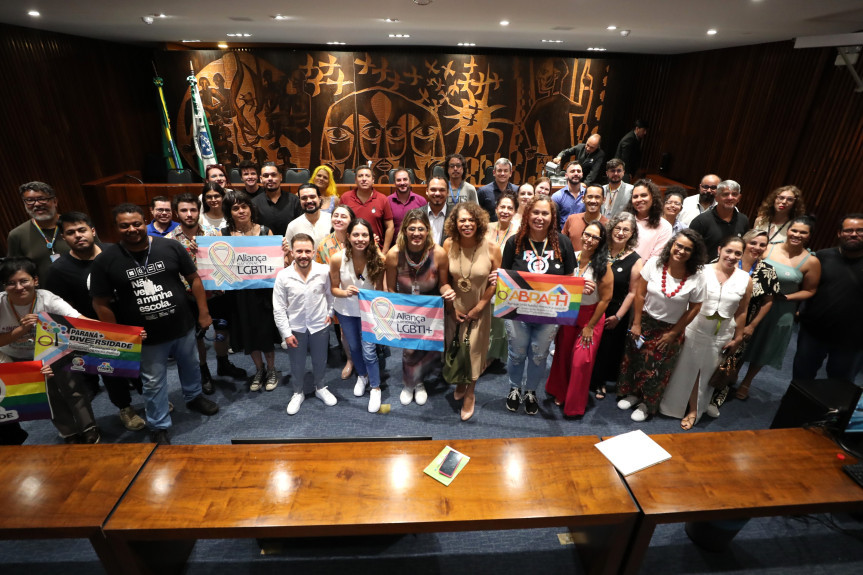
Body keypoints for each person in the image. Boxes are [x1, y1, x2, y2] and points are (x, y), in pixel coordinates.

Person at [90, 203, 219, 445]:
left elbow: (194, 279)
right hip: (145, 336)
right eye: (124, 226)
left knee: (191, 365)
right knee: (152, 382)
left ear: (144, 222)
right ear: (115, 228)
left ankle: (194, 397)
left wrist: (203, 313)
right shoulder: (105, 260)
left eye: (136, 223)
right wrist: (121, 334)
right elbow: (101, 303)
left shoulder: (170, 246)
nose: (132, 229)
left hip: (182, 325)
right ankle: (159, 424)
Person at [47, 212, 147, 432]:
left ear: (92, 231)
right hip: (94, 332)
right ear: (64, 238)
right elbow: (59, 308)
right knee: (112, 373)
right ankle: (125, 408)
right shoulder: (58, 270)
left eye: (82, 230)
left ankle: (150, 399)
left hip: (130, 321)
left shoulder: (116, 251)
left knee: (143, 365)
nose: (78, 236)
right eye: (71, 233)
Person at [0, 257, 99, 443]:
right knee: (46, 394)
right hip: (18, 357)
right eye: (11, 283)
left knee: (73, 388)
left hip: (54, 350)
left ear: (35, 280)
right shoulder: (0, 304)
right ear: (4, 286)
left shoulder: (47, 299)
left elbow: (80, 321)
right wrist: (21, 331)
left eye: (24, 281)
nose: (19, 287)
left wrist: (123, 333)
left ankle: (89, 427)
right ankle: (68, 432)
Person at [660, 236, 752, 429]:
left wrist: (738, 338)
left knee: (707, 374)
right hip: (695, 328)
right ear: (719, 250)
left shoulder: (745, 279)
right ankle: (675, 406)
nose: (732, 256)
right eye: (729, 251)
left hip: (722, 334)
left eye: (737, 253)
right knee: (686, 369)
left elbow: (742, 311)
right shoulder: (701, 271)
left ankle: (695, 409)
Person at [616, 229, 707, 422]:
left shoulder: (697, 277)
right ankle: (632, 394)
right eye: (679, 246)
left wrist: (673, 333)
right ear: (672, 245)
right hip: (645, 321)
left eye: (687, 249)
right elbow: (640, 294)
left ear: (694, 253)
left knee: (658, 368)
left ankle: (646, 405)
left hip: (671, 328)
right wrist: (637, 323)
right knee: (635, 359)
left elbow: (695, 308)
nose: (681, 251)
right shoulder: (655, 264)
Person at [500, 195, 576, 415]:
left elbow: (570, 277)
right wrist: (497, 279)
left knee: (539, 355)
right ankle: (515, 388)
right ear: (527, 215)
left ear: (553, 217)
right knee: (517, 353)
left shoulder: (563, 243)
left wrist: (582, 288)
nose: (540, 217)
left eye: (545, 213)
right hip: (518, 312)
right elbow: (505, 276)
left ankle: (531, 390)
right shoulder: (515, 242)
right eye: (535, 212)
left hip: (549, 314)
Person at [169, 193, 247, 393]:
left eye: (193, 209)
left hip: (216, 293)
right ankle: (204, 371)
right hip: (189, 298)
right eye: (184, 210)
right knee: (198, 337)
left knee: (222, 330)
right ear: (177, 213)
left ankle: (223, 363)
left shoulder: (215, 233)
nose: (189, 214)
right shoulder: (169, 241)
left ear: (199, 211)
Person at [737, 216, 821, 400]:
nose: (797, 235)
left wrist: (786, 297)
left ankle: (746, 382)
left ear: (809, 236)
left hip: (782, 309)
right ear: (788, 230)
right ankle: (731, 375)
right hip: (755, 303)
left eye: (803, 232)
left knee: (765, 346)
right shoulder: (768, 248)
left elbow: (810, 290)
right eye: (794, 230)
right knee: (742, 341)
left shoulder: (811, 261)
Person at [385, 209, 454, 407]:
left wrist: (448, 291)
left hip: (431, 308)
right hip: (406, 310)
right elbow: (390, 287)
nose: (416, 233)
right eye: (412, 229)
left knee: (427, 349)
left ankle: (420, 382)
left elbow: (443, 283)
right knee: (409, 350)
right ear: (405, 230)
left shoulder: (439, 253)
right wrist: (395, 311)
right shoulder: (394, 254)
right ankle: (409, 384)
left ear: (427, 231)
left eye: (421, 229)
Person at [706, 229, 779, 416]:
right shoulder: (724, 261)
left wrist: (751, 326)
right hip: (713, 320)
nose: (757, 248)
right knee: (707, 357)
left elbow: (768, 301)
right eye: (753, 243)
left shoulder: (767, 271)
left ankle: (715, 400)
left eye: (763, 244)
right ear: (744, 243)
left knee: (729, 361)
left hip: (743, 325)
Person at [546, 221, 612, 417]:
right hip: (569, 313)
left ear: (601, 242)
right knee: (563, 356)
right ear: (581, 235)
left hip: (591, 317)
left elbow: (606, 299)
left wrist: (590, 326)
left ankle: (574, 405)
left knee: (580, 362)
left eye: (594, 237)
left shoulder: (604, 266)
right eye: (587, 235)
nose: (589, 240)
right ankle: (560, 391)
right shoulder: (571, 257)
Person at [443, 202, 500, 420]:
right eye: (462, 220)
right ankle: (460, 379)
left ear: (479, 222)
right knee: (457, 347)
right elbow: (445, 280)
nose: (467, 224)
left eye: (471, 220)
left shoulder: (492, 247)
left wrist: (479, 307)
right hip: (454, 308)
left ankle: (470, 393)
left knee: (475, 352)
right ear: (455, 224)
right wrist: (451, 306)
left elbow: (495, 283)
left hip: (480, 308)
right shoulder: (448, 245)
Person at [221, 191, 282, 392]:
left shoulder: (265, 232)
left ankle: (271, 369)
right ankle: (259, 369)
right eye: (235, 208)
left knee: (264, 333)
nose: (241, 211)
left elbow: (277, 264)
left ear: (250, 208)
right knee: (247, 333)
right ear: (230, 212)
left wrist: (284, 251)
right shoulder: (223, 235)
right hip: (238, 295)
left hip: (263, 294)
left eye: (244, 206)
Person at [793, 213, 863, 382]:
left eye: (860, 231)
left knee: (840, 386)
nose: (854, 234)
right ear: (839, 233)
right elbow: (805, 287)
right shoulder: (821, 257)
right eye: (849, 230)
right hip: (813, 332)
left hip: (852, 340)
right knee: (801, 379)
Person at [273, 233, 337, 415]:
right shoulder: (283, 276)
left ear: (314, 252)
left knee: (320, 360)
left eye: (307, 251)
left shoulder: (324, 271)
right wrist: (286, 333)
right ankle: (297, 392)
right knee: (297, 363)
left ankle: (321, 387)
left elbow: (330, 295)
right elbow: (278, 308)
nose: (303, 255)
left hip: (319, 326)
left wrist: (330, 313)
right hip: (295, 328)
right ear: (292, 252)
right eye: (299, 251)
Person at [329, 218, 386, 413]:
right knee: (353, 347)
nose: (360, 239)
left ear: (370, 238)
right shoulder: (337, 258)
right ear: (348, 236)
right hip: (345, 310)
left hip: (368, 313)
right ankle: (362, 375)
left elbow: (381, 291)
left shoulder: (378, 258)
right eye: (356, 234)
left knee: (369, 350)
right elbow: (334, 288)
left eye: (364, 235)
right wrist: (345, 292)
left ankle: (376, 387)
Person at [590, 212, 643, 399]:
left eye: (626, 230)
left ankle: (599, 382)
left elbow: (632, 292)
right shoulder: (599, 249)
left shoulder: (636, 260)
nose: (620, 233)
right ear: (611, 228)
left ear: (632, 234)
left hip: (614, 310)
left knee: (606, 348)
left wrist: (618, 317)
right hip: (591, 304)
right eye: (618, 228)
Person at [316, 204, 356, 380]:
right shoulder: (324, 245)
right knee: (343, 332)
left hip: (360, 292)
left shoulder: (360, 237)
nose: (338, 219)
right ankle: (350, 360)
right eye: (336, 215)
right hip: (338, 294)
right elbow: (319, 271)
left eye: (344, 216)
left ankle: (368, 358)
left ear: (351, 220)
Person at [7, 181, 70, 284]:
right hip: (46, 296)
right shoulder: (17, 235)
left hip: (86, 290)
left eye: (42, 199)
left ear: (55, 201)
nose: (36, 204)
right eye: (30, 200)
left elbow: (98, 254)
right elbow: (14, 272)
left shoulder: (75, 225)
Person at [485, 193, 519, 373]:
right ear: (496, 208)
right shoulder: (485, 227)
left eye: (509, 208)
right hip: (483, 282)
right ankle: (482, 351)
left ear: (514, 211)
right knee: (484, 320)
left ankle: (491, 356)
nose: (505, 211)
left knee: (498, 322)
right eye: (502, 207)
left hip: (505, 285)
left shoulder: (519, 233)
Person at [339, 165, 395, 252]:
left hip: (375, 250)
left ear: (373, 180)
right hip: (350, 249)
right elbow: (340, 225)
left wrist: (384, 252)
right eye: (360, 176)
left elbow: (390, 227)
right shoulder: (345, 198)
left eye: (367, 176)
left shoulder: (382, 199)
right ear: (355, 180)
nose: (364, 179)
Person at [689, 180, 749, 255]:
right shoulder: (701, 221)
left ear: (739, 198)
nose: (730, 198)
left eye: (734, 194)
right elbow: (690, 249)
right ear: (716, 197)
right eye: (725, 194)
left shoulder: (743, 220)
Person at [251, 162, 302, 236]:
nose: (270, 179)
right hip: (264, 246)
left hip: (290, 245)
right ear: (261, 179)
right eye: (266, 176)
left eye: (273, 175)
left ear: (280, 177)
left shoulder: (295, 201)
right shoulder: (254, 203)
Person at [626, 179, 672, 260]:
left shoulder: (665, 227)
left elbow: (654, 260)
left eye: (644, 195)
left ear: (653, 197)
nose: (639, 199)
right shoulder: (625, 219)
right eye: (635, 197)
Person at [284, 183, 332, 249]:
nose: (309, 201)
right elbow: (289, 254)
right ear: (300, 201)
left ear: (319, 199)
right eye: (304, 198)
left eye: (312, 197)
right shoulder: (293, 226)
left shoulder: (332, 220)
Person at [562, 185, 608, 251]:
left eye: (597, 197)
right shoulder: (572, 219)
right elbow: (562, 245)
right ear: (583, 198)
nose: (593, 201)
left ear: (603, 200)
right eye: (590, 197)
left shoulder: (608, 225)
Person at [388, 168, 428, 236]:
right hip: (394, 245)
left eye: (405, 179)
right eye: (398, 180)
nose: (402, 183)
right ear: (394, 183)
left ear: (410, 181)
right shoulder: (387, 201)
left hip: (416, 243)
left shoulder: (421, 201)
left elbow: (426, 225)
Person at [551, 161, 586, 229]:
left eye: (578, 171)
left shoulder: (588, 195)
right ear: (566, 175)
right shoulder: (557, 196)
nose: (576, 173)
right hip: (563, 235)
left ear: (582, 174)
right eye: (572, 171)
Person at [424, 176, 450, 245]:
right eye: (433, 189)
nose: (437, 193)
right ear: (427, 191)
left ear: (448, 192)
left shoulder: (456, 215)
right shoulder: (417, 214)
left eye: (442, 190)